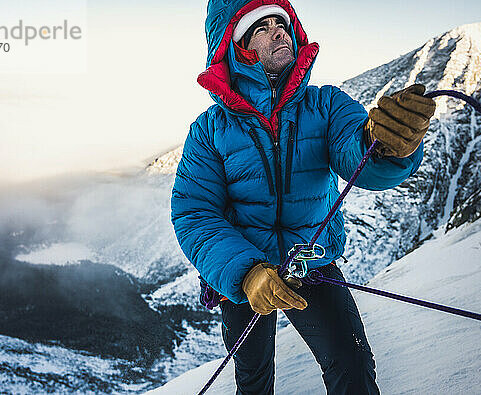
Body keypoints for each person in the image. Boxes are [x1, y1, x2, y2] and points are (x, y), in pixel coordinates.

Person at [170, 1, 436, 394]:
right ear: (238, 48)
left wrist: (389, 147)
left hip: (309, 260)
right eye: (262, 27)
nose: (280, 31)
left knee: (352, 364)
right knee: (254, 378)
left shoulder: (326, 106)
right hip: (249, 275)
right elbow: (195, 213)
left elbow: (357, 152)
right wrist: (246, 273)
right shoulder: (209, 131)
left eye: (282, 23)